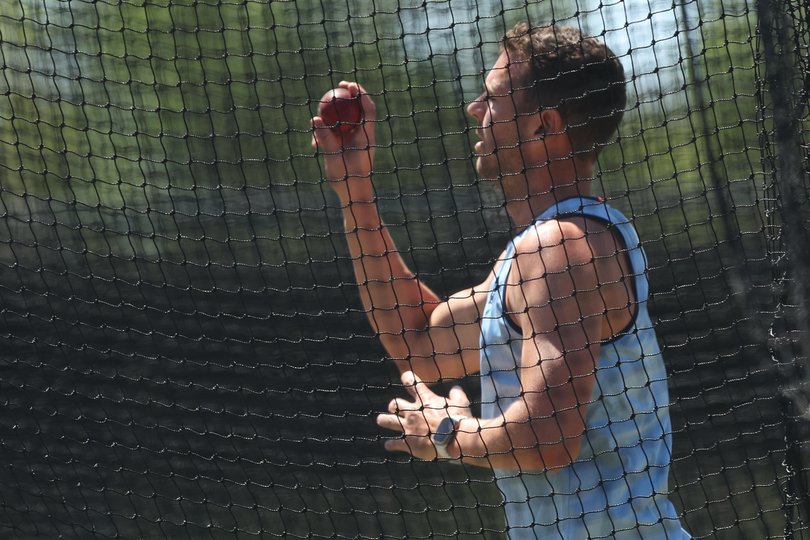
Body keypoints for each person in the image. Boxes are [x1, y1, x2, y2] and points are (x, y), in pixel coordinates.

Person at [311, 21, 690, 540]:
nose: (475, 110)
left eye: (492, 99)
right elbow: (420, 342)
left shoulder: (558, 249)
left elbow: (551, 434)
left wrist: (446, 433)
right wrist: (354, 188)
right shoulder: (554, 245)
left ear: (542, 126)